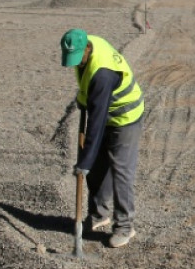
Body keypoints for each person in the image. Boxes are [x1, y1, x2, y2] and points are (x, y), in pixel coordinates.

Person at [60, 29, 145, 248]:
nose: (76, 64)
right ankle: (99, 215)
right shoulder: (90, 45)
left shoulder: (103, 73)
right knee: (98, 166)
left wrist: (83, 163)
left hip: (126, 116)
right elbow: (87, 84)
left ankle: (125, 226)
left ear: (86, 49)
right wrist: (82, 99)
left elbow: (95, 126)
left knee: (120, 170)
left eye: (78, 59)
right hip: (106, 108)